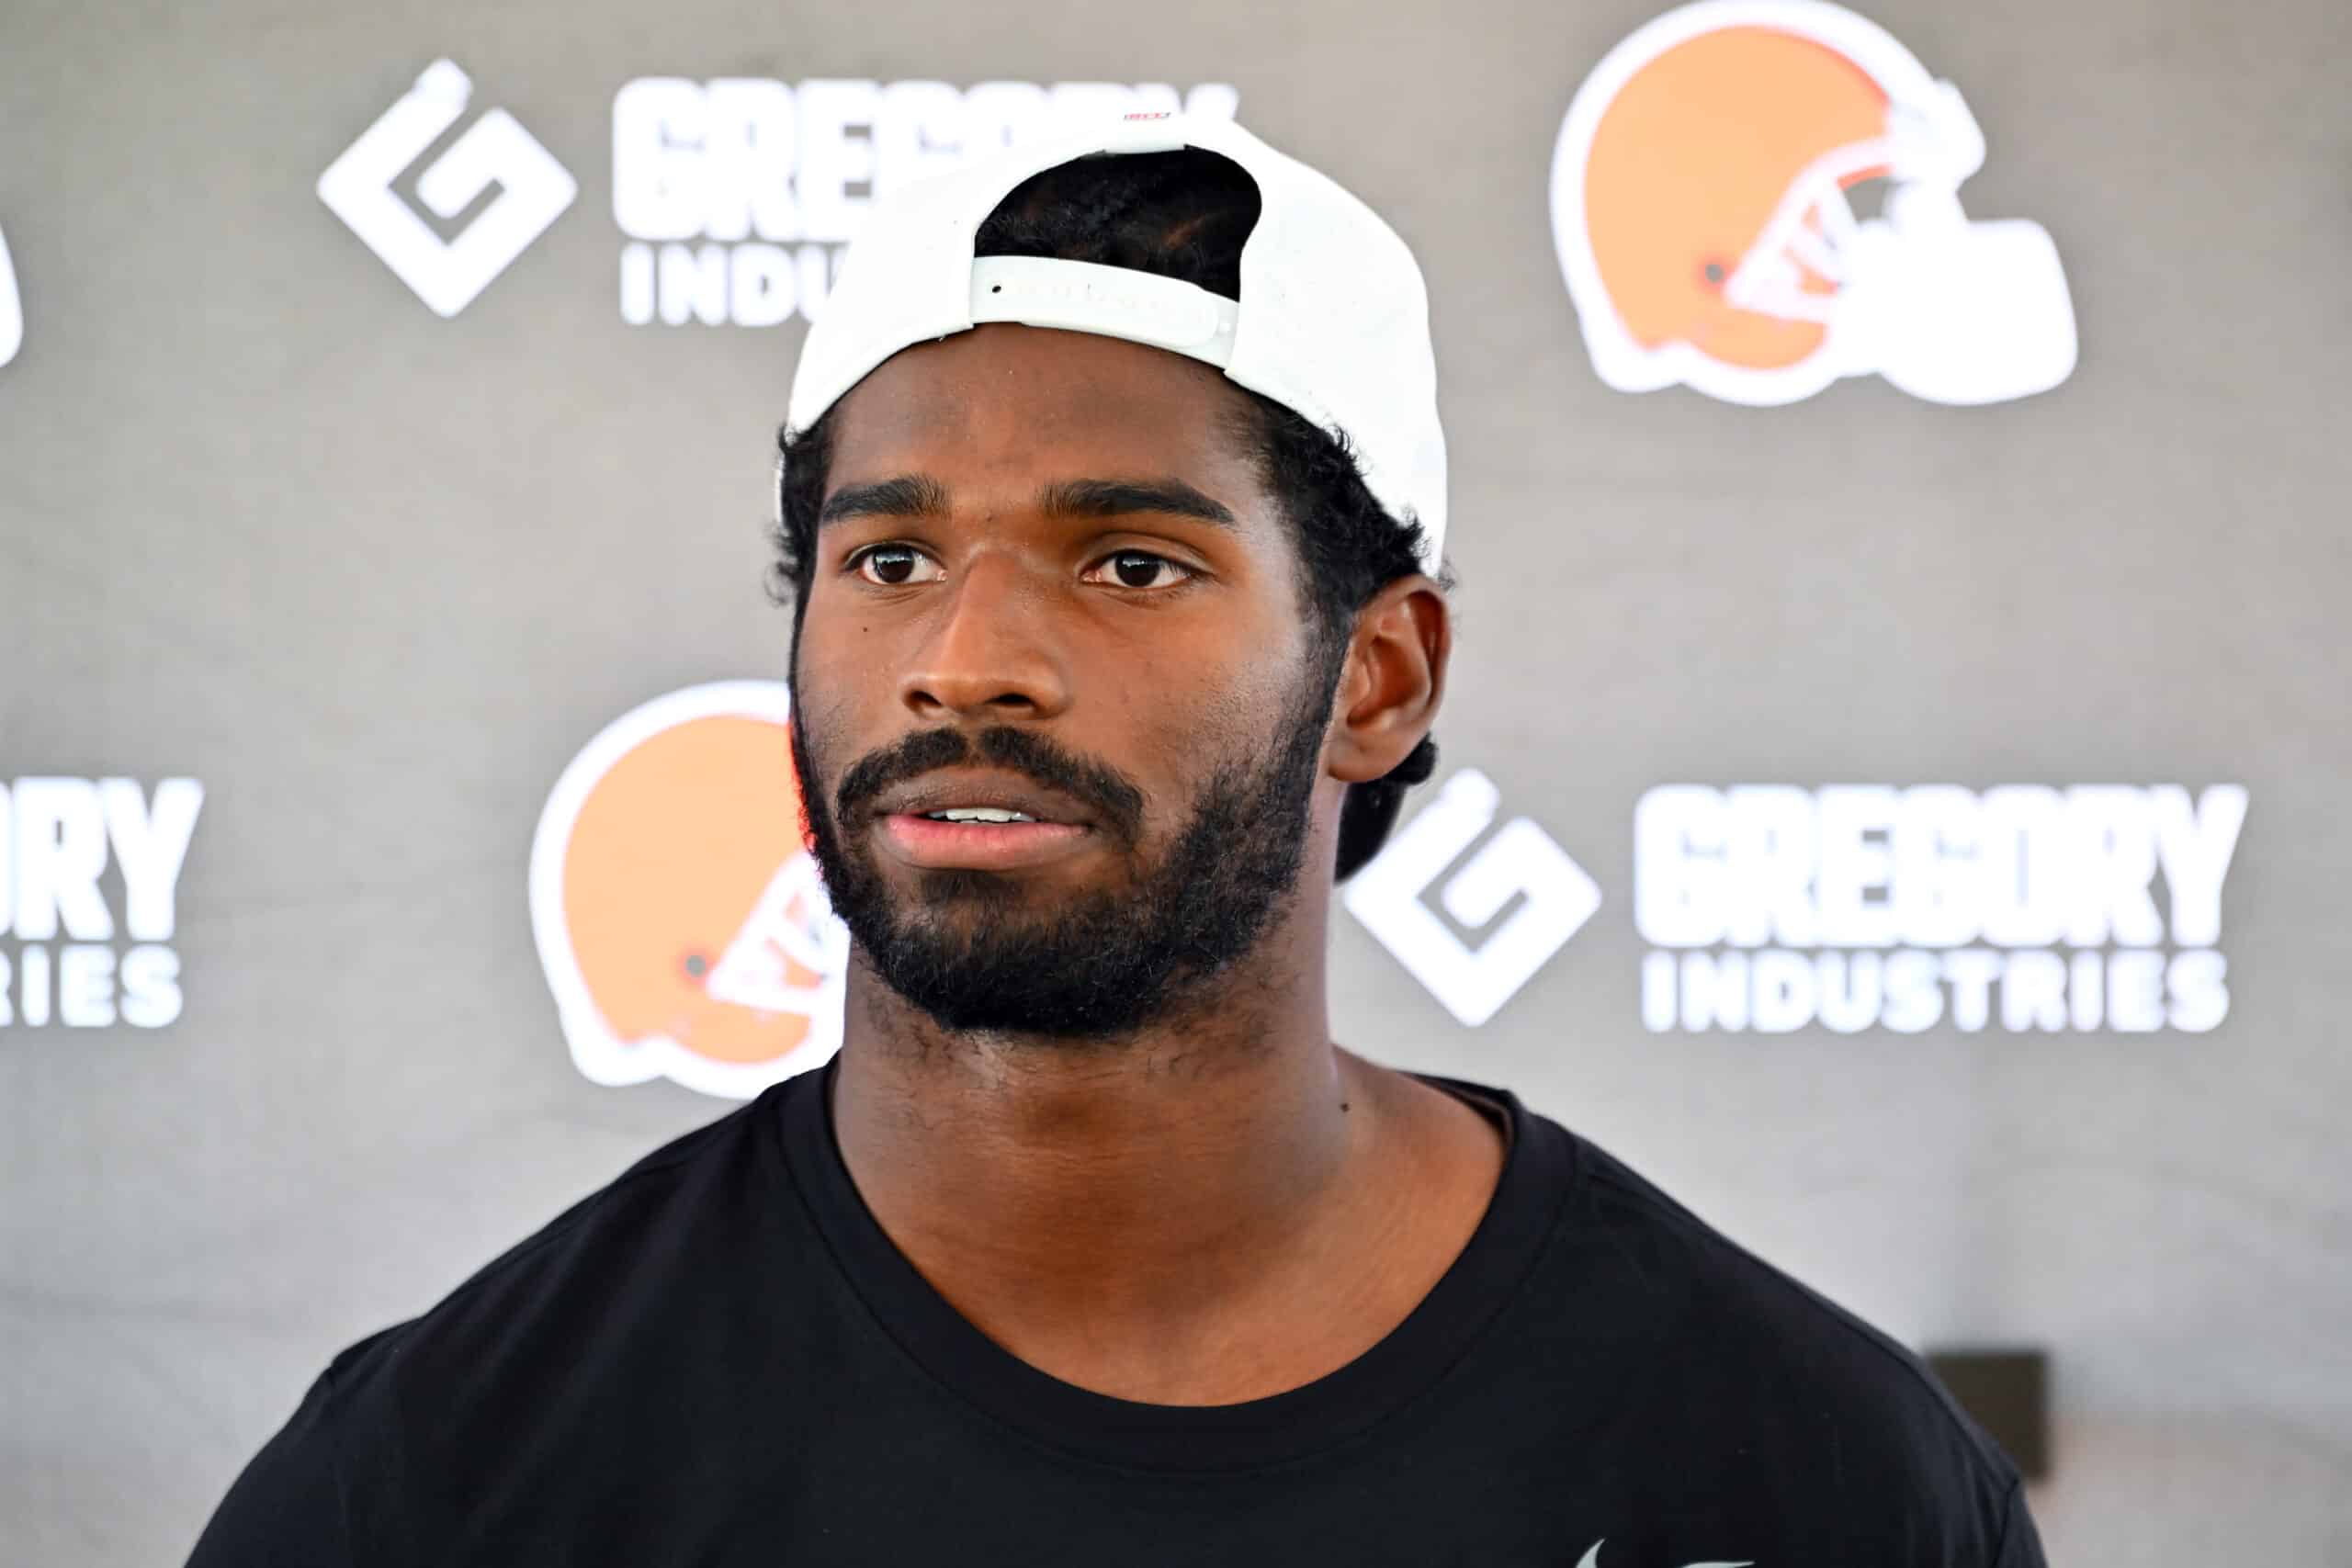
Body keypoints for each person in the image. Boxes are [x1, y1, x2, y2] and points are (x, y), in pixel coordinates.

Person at [187, 115, 2044, 1566]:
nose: (964, 659)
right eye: (888, 557)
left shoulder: (1798, 1472)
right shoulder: (452, 1479)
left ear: (1378, 677)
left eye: (1131, 560)